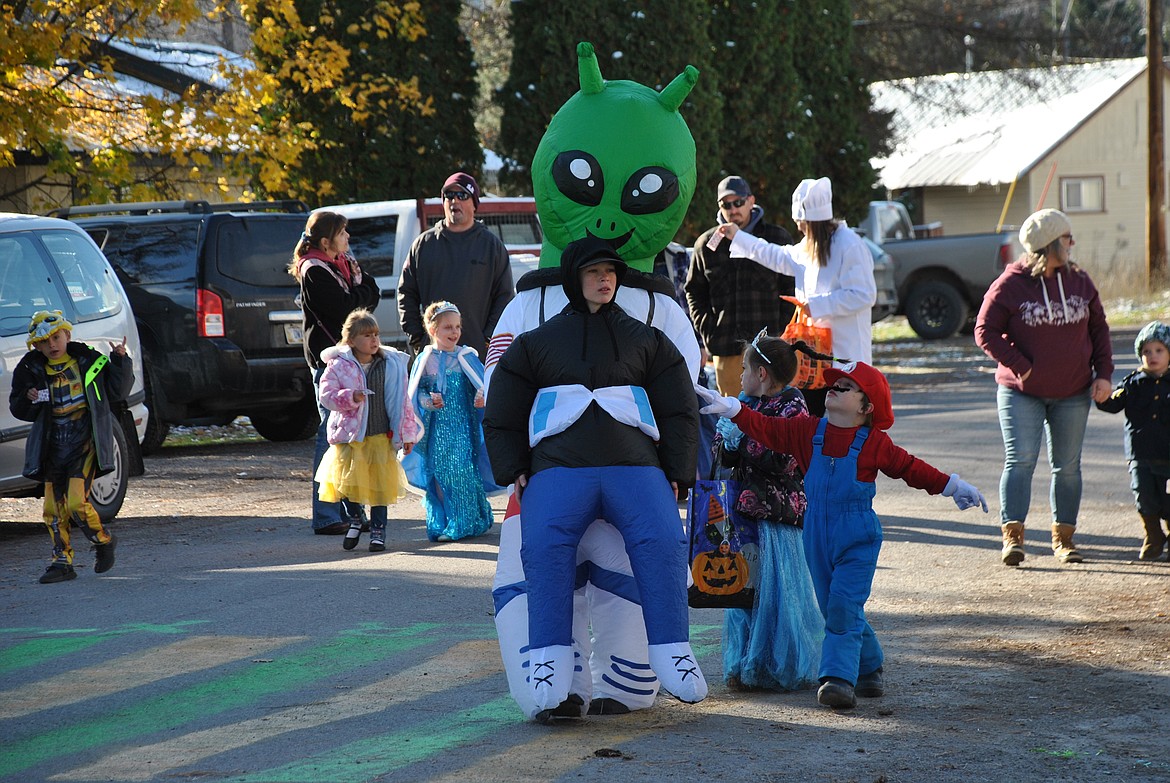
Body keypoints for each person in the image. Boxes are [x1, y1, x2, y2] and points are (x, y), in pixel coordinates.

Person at [484, 238, 706, 720]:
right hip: (558, 471)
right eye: (594, 272)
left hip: (635, 468)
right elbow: (503, 404)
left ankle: (673, 650)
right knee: (541, 551)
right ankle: (548, 665)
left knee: (666, 540)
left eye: (610, 272)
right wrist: (513, 468)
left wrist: (676, 472)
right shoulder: (538, 340)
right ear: (573, 278)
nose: (605, 280)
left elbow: (679, 406)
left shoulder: (646, 338)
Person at [696, 361, 987, 709]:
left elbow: (911, 468)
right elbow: (766, 428)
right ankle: (870, 665)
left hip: (857, 535)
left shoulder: (875, 443)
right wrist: (735, 409)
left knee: (843, 606)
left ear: (866, 407)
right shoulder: (807, 430)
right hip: (816, 533)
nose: (834, 388)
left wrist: (952, 486)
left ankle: (837, 679)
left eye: (846, 387)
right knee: (836, 607)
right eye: (835, 384)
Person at [974, 208, 1113, 566]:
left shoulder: (1079, 280)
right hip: (1022, 392)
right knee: (1020, 460)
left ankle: (1063, 540)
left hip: (1074, 391)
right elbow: (984, 330)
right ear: (1051, 244)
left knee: (1067, 466)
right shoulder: (1011, 282)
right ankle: (1013, 538)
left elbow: (1099, 329)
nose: (1073, 243)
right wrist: (1021, 366)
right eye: (1067, 238)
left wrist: (1103, 374)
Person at [714, 330, 825, 692]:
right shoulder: (744, 402)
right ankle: (745, 663)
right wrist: (726, 440)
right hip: (744, 515)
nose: (740, 376)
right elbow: (725, 460)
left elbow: (782, 459)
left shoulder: (794, 407)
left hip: (776, 517)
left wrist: (741, 438)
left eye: (745, 368)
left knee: (776, 597)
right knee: (743, 592)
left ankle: (779, 665)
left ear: (762, 374)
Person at [713, 177, 875, 416]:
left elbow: (864, 295)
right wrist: (738, 237)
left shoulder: (849, 245)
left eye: (801, 222)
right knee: (815, 419)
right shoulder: (809, 245)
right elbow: (774, 255)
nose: (798, 227)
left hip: (844, 353)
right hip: (813, 360)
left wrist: (816, 305)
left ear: (813, 222)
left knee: (845, 419)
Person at [8, 311, 133, 583]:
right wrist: (28, 398)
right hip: (52, 445)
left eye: (56, 337)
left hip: (84, 441)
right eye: (44, 342)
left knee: (77, 502)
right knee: (53, 509)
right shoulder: (31, 369)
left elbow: (117, 392)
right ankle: (61, 562)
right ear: (37, 346)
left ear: (67, 335)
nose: (51, 345)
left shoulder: (89, 362)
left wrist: (120, 361)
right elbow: (19, 407)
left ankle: (103, 541)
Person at [290, 210, 381, 535]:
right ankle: (327, 514)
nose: (348, 239)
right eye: (343, 233)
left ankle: (350, 512)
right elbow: (348, 308)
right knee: (331, 435)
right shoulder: (314, 270)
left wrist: (360, 295)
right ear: (326, 240)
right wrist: (361, 295)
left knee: (350, 437)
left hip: (351, 362)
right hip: (330, 365)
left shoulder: (343, 266)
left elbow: (368, 296)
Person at [315, 309, 420, 553]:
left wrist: (407, 434)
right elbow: (327, 396)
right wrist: (350, 396)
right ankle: (355, 518)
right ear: (351, 340)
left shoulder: (390, 364)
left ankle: (378, 530)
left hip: (381, 437)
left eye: (376, 335)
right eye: (366, 336)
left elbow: (402, 402)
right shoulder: (339, 366)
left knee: (379, 488)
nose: (374, 340)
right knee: (348, 485)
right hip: (350, 438)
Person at [686, 175, 796, 396]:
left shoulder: (775, 237)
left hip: (772, 350)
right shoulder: (706, 245)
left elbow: (792, 287)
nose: (733, 209)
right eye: (726, 204)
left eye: (738, 202)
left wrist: (781, 329)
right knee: (734, 421)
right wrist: (710, 330)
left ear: (751, 201)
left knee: (776, 417)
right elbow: (694, 292)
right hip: (726, 350)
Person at [404, 301, 498, 542]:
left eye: (457, 327)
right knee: (439, 473)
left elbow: (482, 386)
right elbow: (416, 395)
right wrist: (428, 402)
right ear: (433, 330)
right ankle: (447, 520)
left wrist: (480, 396)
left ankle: (464, 521)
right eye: (448, 327)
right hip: (436, 431)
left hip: (462, 428)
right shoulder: (425, 360)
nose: (454, 332)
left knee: (462, 470)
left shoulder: (466, 356)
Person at [398, 172, 514, 361]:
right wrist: (418, 337)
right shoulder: (424, 245)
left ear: (474, 203)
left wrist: (488, 338)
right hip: (434, 356)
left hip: (478, 355)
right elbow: (406, 293)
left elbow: (505, 296)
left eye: (462, 196)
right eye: (449, 196)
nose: (454, 201)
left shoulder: (491, 246)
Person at [1095, 321, 1170, 561]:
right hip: (1140, 453)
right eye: (1146, 351)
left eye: (1159, 350)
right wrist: (1102, 397)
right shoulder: (1132, 383)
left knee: (1167, 501)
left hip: (1167, 454)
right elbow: (1113, 404)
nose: (1152, 356)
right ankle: (1153, 536)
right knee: (1144, 495)